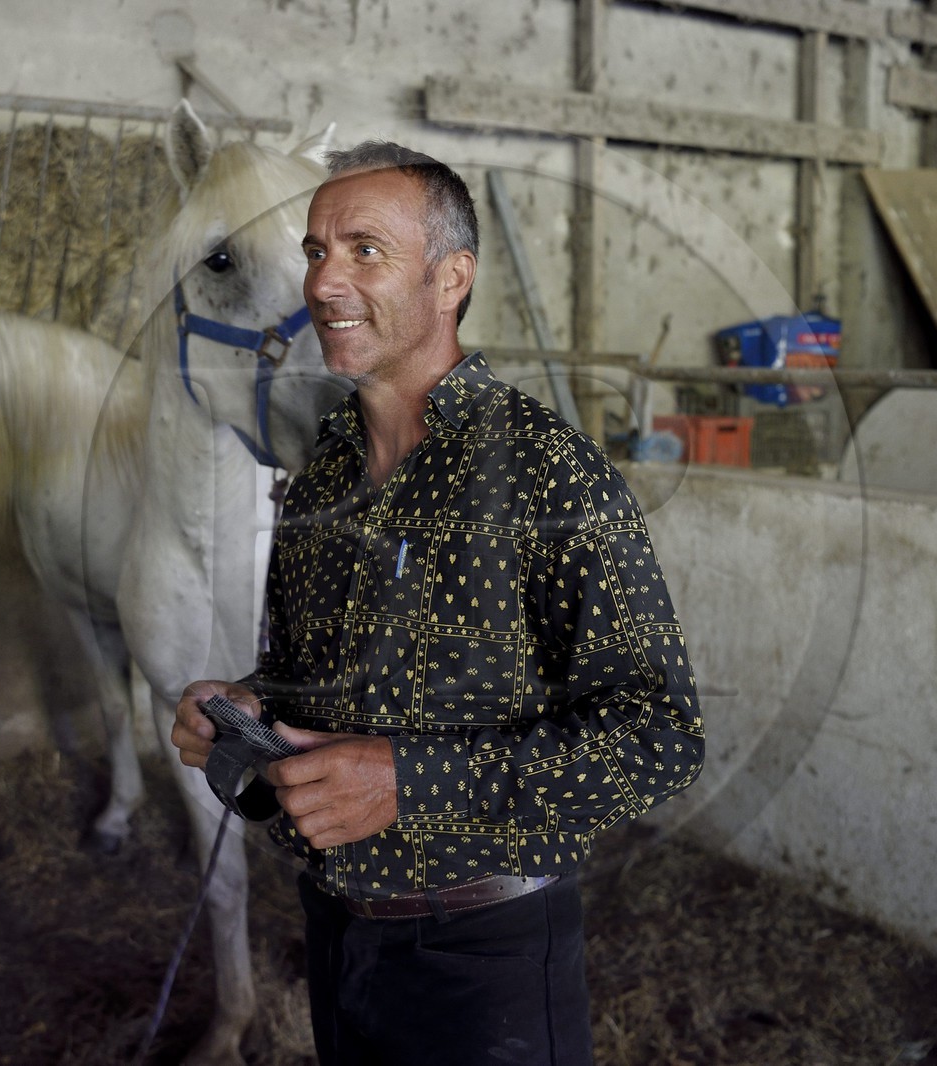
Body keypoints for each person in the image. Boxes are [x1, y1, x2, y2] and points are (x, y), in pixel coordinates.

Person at [172, 140, 703, 1066]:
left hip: (486, 961)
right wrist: (254, 713)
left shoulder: (548, 472)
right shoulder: (320, 475)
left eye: (364, 250)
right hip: (337, 937)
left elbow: (659, 735)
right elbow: (307, 678)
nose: (324, 281)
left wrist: (407, 782)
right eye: (314, 252)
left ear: (451, 278)